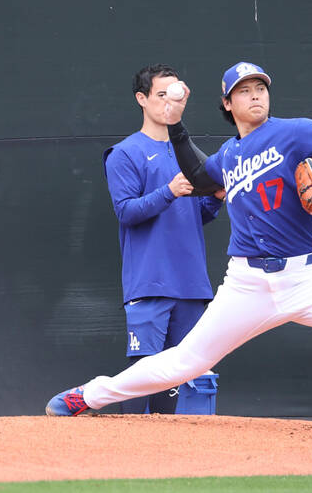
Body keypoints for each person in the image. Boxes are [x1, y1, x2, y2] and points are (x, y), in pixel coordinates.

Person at [47, 61, 312, 446]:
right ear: (228, 104)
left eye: (260, 87)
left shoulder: (294, 132)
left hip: (308, 279)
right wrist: (175, 126)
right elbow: (198, 175)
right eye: (244, 90)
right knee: (184, 363)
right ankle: (87, 395)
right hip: (246, 284)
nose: (255, 95)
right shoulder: (228, 156)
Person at [103, 64, 221, 414]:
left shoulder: (188, 152)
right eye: (160, 95)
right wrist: (168, 192)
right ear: (142, 99)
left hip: (192, 286)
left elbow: (196, 216)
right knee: (144, 377)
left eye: (174, 95)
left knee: (192, 378)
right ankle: (133, 460)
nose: (168, 103)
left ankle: (190, 462)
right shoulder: (124, 152)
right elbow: (126, 211)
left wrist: (214, 201)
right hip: (149, 285)